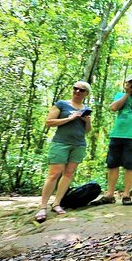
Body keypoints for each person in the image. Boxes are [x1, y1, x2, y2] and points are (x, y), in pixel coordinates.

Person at [35, 81, 92, 222]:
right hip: (60, 143)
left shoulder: (86, 108)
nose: (78, 91)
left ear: (86, 93)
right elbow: (49, 122)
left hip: (78, 144)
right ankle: (43, 207)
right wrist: (69, 118)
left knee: (68, 174)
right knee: (54, 174)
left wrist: (87, 121)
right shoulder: (61, 104)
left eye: (82, 90)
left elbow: (87, 131)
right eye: (75, 88)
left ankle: (57, 203)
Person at [97, 75, 132, 206]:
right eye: (130, 83)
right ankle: (109, 194)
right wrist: (127, 94)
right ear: (126, 84)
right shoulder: (120, 95)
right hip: (117, 135)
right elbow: (113, 108)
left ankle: (126, 194)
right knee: (112, 164)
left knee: (130, 165)